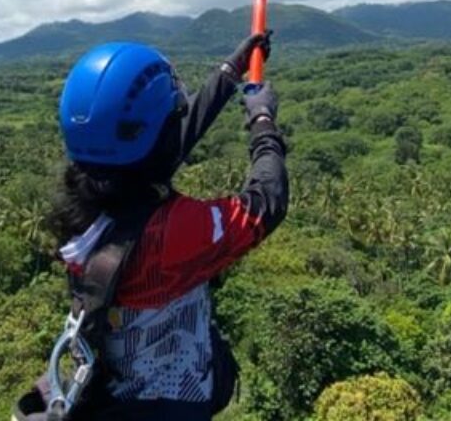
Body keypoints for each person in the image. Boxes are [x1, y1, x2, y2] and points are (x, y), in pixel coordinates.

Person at [35, 33, 288, 420]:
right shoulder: (172, 232)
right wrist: (263, 120)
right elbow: (267, 203)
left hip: (117, 395)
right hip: (175, 402)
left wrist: (229, 71)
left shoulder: (89, 209)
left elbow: (157, 151)